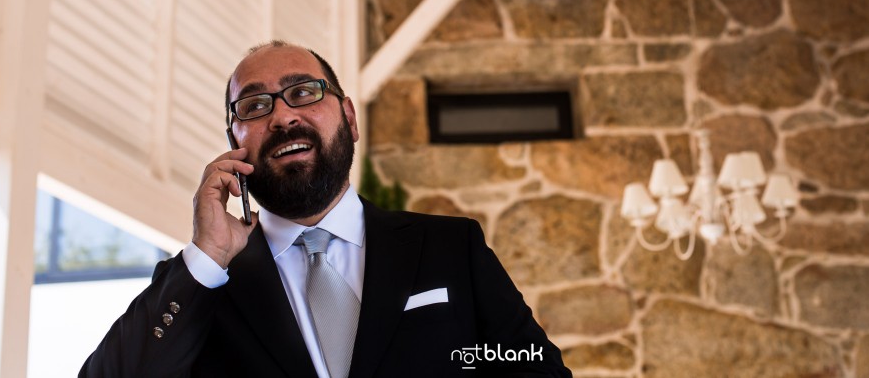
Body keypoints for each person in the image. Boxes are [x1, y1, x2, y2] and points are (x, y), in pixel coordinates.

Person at [80, 41, 571, 377]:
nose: (283, 115)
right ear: (234, 141)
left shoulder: (449, 247)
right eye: (254, 107)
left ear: (349, 117)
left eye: (303, 93)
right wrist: (206, 258)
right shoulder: (203, 286)